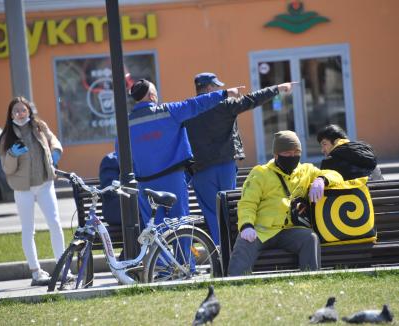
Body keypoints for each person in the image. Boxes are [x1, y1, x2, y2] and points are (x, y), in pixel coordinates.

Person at [184, 72, 298, 245]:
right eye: (216, 86)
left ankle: (219, 255)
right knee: (229, 210)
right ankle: (234, 251)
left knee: (212, 214)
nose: (220, 89)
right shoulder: (224, 105)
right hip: (225, 167)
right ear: (208, 88)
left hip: (200, 170)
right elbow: (252, 99)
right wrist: (277, 89)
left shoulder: (188, 108)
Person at [125, 79, 243, 226]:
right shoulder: (168, 111)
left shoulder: (126, 124)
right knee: (180, 226)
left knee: (154, 228)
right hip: (172, 179)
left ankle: (160, 250)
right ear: (152, 96)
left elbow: (121, 156)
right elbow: (195, 104)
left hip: (144, 182)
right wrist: (224, 93)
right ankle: (183, 250)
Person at [227, 130, 344, 276]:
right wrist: (246, 225)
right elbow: (247, 203)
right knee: (244, 243)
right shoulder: (260, 173)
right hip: (261, 230)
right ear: (276, 155)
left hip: (290, 230)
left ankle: (311, 280)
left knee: (310, 238)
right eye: (287, 153)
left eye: (296, 152)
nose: (292, 156)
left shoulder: (306, 170)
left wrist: (322, 180)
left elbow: (336, 175)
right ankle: (234, 284)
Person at [0, 96, 67, 286]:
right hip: (23, 189)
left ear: (29, 111)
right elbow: (7, 168)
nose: (20, 113)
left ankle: (62, 268)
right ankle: (36, 273)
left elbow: (54, 141)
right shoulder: (7, 136)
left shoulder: (39, 126)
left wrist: (55, 152)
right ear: (11, 115)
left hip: (45, 183)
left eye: (23, 110)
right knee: (29, 230)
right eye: (15, 111)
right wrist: (12, 154)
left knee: (55, 223)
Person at [317, 124, 383, 181]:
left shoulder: (329, 162)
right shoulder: (368, 155)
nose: (322, 150)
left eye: (324, 144)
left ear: (336, 141)